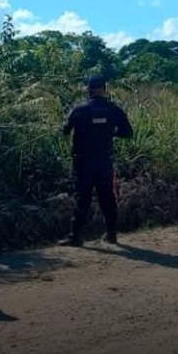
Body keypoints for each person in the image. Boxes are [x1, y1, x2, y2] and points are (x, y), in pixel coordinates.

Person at [60, 75, 133, 246]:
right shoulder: (114, 109)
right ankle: (112, 235)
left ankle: (76, 237)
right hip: (104, 161)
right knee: (107, 197)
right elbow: (128, 133)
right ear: (105, 89)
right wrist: (110, 131)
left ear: (88, 89)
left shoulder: (79, 109)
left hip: (83, 161)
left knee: (82, 198)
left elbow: (65, 131)